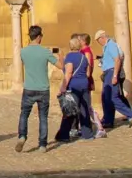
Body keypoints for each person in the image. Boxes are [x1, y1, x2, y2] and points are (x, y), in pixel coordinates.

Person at [15, 25, 60, 153]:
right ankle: (42, 145)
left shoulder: (23, 51)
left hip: (29, 87)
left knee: (24, 114)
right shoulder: (45, 51)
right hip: (43, 88)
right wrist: (60, 58)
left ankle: (22, 136)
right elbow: (59, 65)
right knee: (43, 117)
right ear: (39, 36)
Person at [55, 33, 96, 145]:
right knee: (85, 109)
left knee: (70, 110)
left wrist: (62, 87)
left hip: (74, 86)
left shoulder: (70, 57)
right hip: (84, 84)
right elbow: (88, 73)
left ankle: (63, 135)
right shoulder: (83, 57)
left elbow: (68, 73)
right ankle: (87, 133)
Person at [94, 29, 132, 129]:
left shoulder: (111, 45)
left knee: (113, 97)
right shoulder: (106, 47)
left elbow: (117, 60)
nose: (98, 42)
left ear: (102, 38)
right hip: (108, 72)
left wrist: (114, 76)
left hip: (111, 72)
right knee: (106, 97)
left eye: (98, 40)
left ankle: (131, 114)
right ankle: (108, 120)